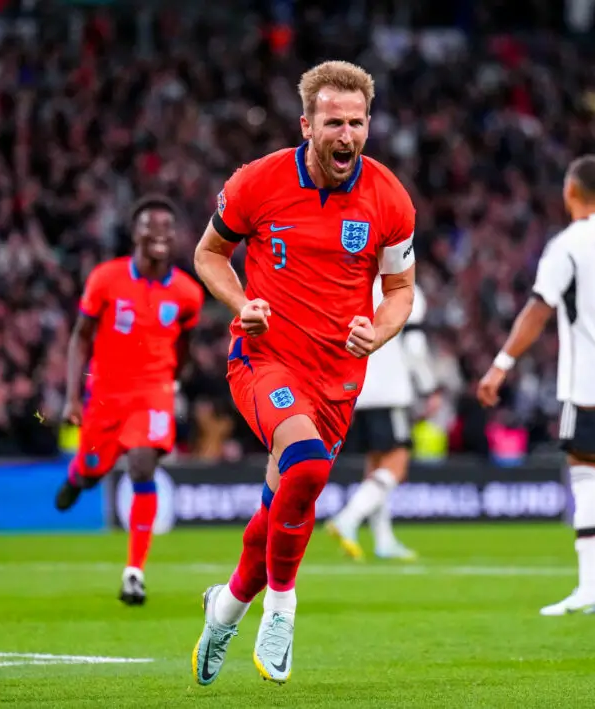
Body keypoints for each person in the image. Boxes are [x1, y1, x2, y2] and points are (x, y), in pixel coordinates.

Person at [190, 60, 416, 686]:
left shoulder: (389, 198)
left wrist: (380, 330)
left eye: (357, 123)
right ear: (307, 125)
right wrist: (241, 304)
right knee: (309, 465)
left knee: (282, 505)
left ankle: (226, 607)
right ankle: (282, 608)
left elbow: (400, 290)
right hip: (264, 358)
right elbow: (209, 254)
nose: (347, 135)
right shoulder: (257, 182)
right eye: (334, 123)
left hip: (338, 377)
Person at [476, 155, 595, 616]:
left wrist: (501, 364)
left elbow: (539, 308)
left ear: (570, 191)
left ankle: (592, 589)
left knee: (587, 474)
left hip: (591, 382)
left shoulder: (568, 245)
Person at [53, 195, 204, 606]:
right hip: (105, 394)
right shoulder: (106, 279)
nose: (159, 233)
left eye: (167, 227)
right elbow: (81, 337)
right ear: (134, 233)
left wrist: (175, 378)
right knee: (92, 472)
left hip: (154, 390)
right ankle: (78, 476)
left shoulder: (188, 293)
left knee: (142, 464)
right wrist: (72, 398)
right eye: (150, 225)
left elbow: (186, 342)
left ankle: (134, 573)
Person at [325, 280, 437, 561]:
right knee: (396, 465)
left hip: (359, 389)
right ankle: (348, 518)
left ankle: (383, 540)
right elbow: (414, 346)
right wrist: (428, 387)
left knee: (375, 467)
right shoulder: (404, 288)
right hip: (391, 389)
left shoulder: (351, 285)